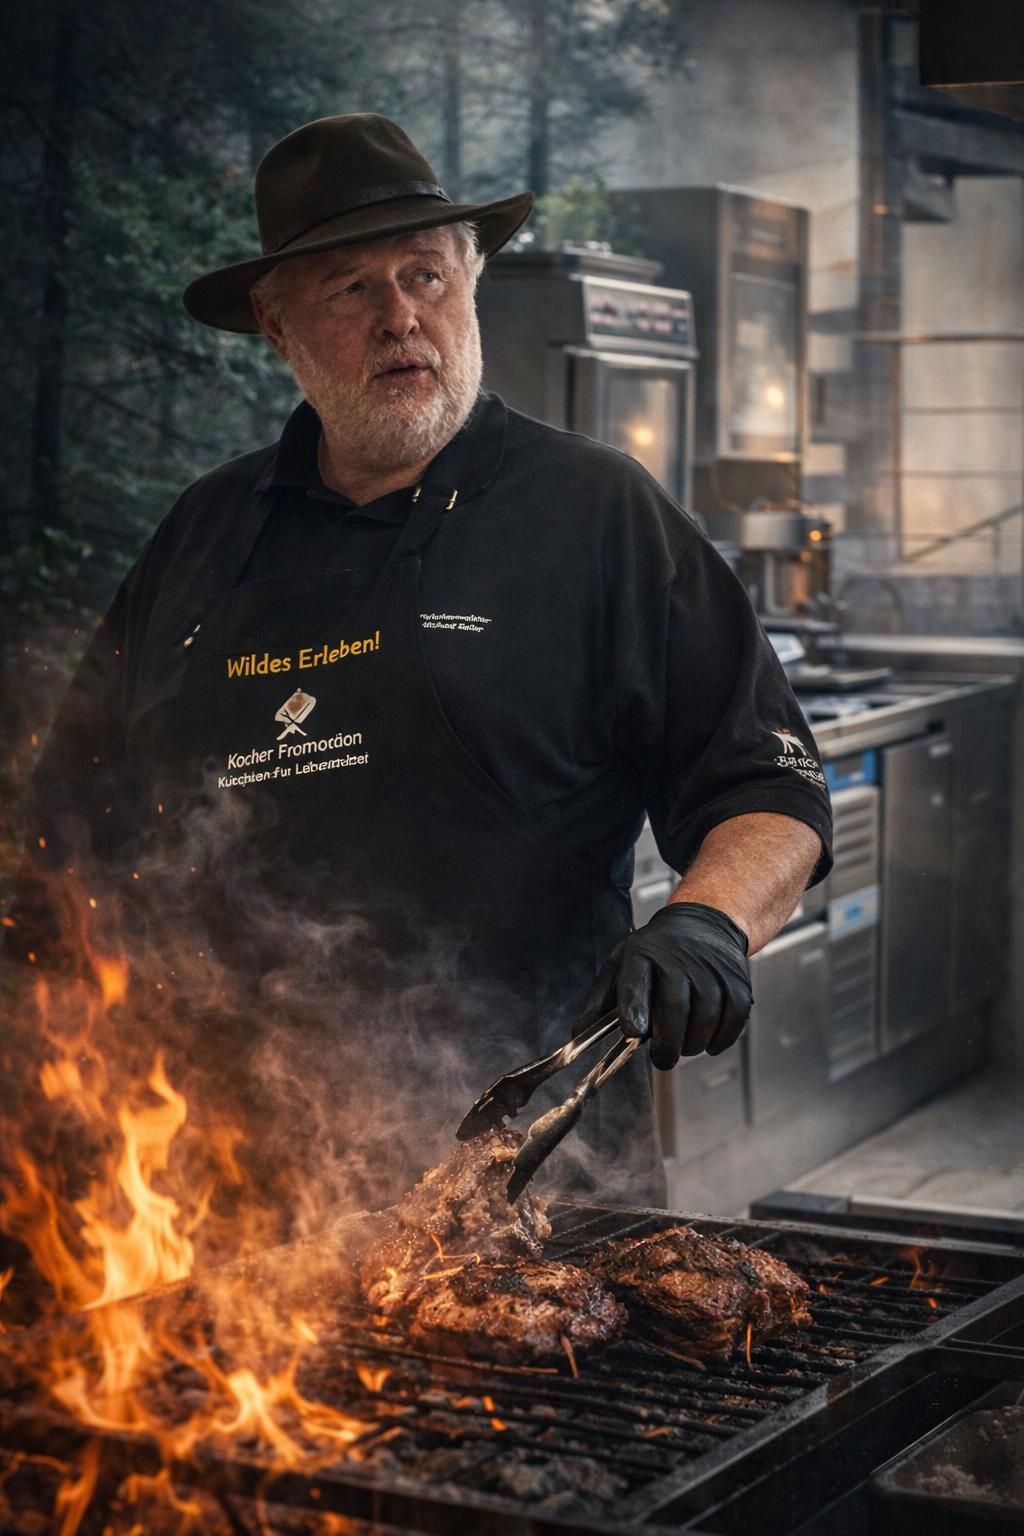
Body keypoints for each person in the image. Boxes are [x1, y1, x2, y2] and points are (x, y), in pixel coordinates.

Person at [19, 114, 831, 1210]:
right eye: (351, 289)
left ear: (469, 285)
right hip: (228, 1192)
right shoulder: (204, 531)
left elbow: (767, 787)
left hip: (527, 1169)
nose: (401, 317)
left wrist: (705, 921)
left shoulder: (595, 513)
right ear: (275, 322)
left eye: (425, 276)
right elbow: (67, 829)